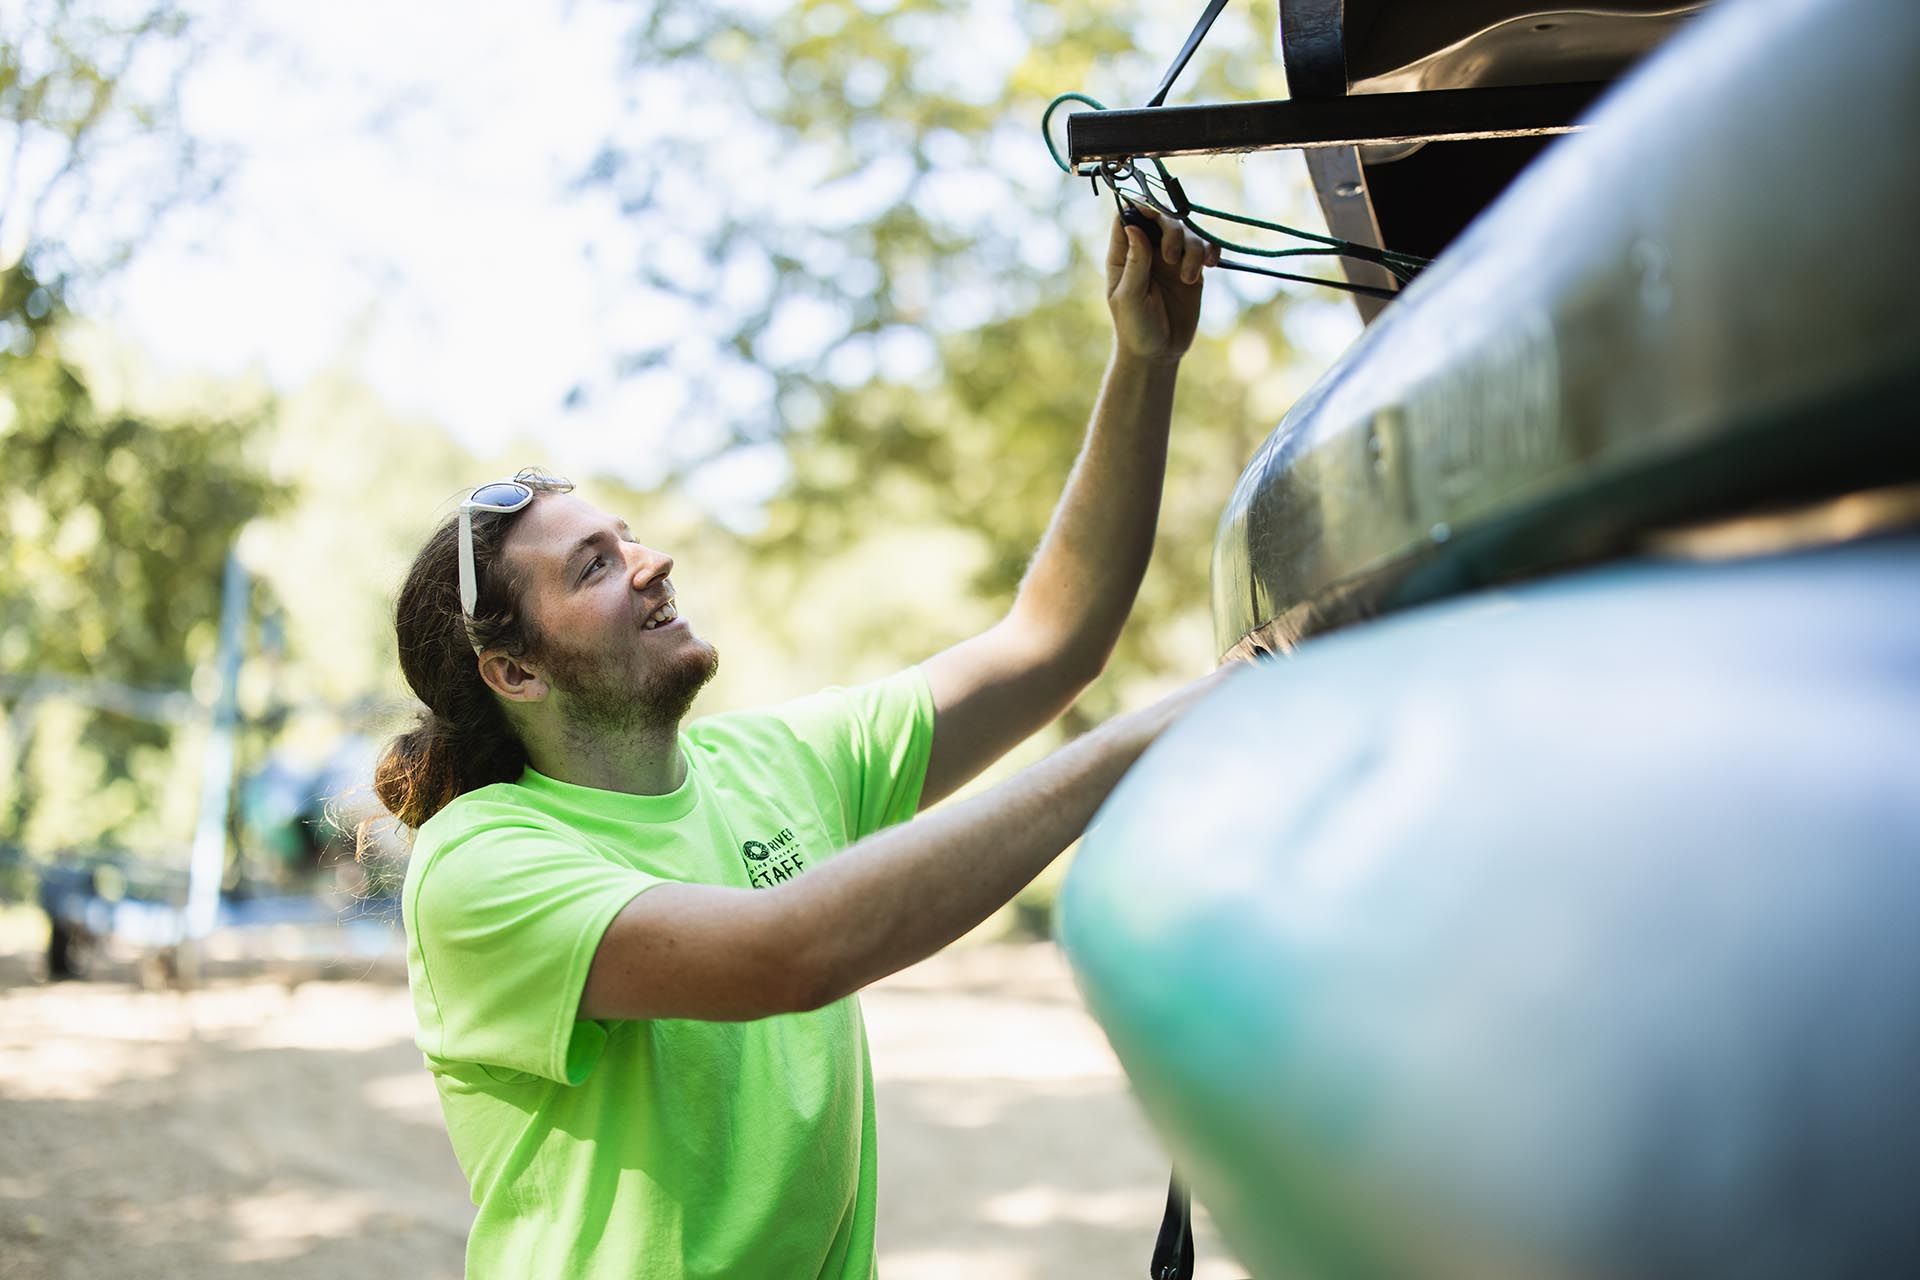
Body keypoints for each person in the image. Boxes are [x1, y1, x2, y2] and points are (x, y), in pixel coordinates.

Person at [375, 207, 1230, 1278]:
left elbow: (1051, 643)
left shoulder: (775, 765)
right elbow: (789, 951)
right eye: (593, 566)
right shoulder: (481, 863)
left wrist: (1144, 362)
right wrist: (1160, 735)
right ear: (516, 671)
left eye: (626, 536)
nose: (653, 560)